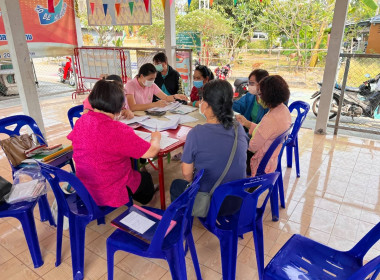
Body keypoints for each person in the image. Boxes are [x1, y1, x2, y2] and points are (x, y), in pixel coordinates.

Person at [68, 79, 161, 207]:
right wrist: (155, 138)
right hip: (108, 190)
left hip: (85, 187)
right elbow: (151, 152)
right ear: (119, 106)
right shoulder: (118, 130)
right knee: (146, 179)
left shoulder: (81, 122)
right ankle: (149, 209)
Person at [170, 79, 249, 216]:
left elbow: (187, 174)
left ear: (205, 104)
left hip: (213, 203)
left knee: (176, 185)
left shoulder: (196, 133)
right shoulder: (238, 128)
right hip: (237, 199)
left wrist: (192, 182)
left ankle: (182, 222)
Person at [236, 75, 291, 177]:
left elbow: (252, 146)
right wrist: (247, 123)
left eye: (260, 94)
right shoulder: (283, 110)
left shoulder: (270, 119)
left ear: (268, 96)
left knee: (231, 148)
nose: (259, 97)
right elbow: (265, 131)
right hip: (270, 157)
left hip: (260, 160)